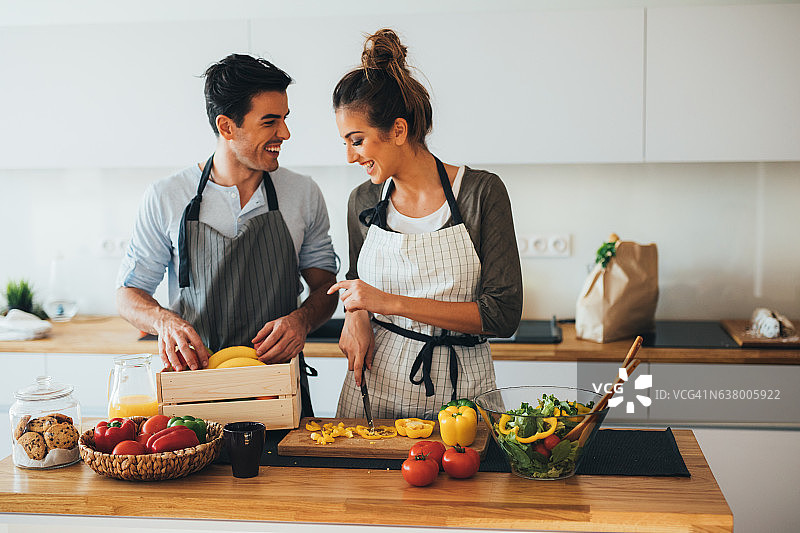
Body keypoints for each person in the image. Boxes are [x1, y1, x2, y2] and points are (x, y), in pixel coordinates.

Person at [116, 54, 338, 417]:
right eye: (270, 121)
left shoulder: (303, 193)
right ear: (227, 126)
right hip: (195, 390)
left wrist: (303, 320)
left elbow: (325, 288)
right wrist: (163, 320)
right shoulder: (167, 196)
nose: (284, 133)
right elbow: (127, 294)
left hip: (279, 390)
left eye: (284, 119)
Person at [328, 29, 522, 419]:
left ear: (398, 130)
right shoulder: (364, 201)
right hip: (373, 386)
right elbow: (355, 287)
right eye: (345, 143)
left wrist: (387, 303)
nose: (350, 156)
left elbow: (501, 315)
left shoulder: (480, 193)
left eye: (358, 140)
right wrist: (356, 315)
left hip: (460, 391)